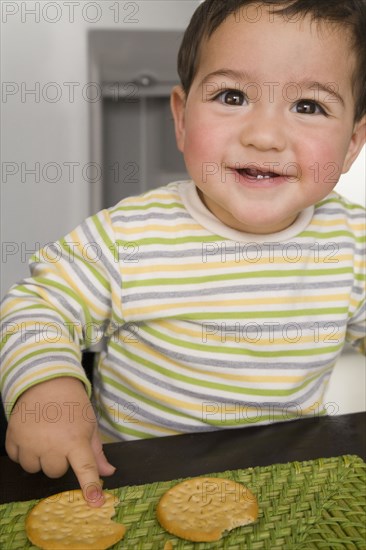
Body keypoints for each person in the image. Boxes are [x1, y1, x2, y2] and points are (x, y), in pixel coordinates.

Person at [1, 0, 365, 507]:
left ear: (351, 144)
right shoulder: (127, 237)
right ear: (181, 117)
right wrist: (50, 389)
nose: (264, 136)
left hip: (281, 487)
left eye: (309, 106)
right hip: (132, 485)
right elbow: (35, 307)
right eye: (232, 95)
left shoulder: (353, 243)